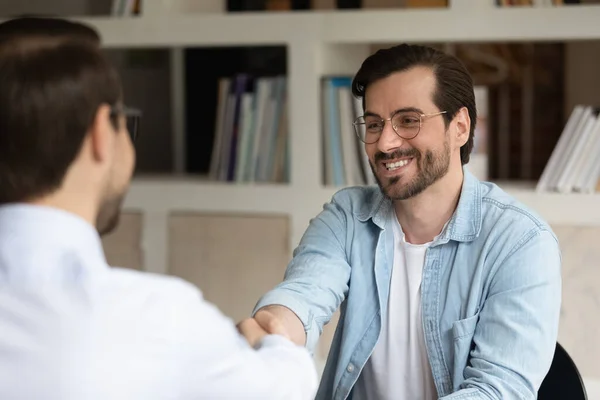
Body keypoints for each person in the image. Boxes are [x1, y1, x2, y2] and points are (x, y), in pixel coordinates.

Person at [0, 17, 317, 400]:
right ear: (102, 133)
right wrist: (279, 347)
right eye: (124, 121)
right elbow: (286, 391)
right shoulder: (158, 321)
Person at [252, 43, 562, 399]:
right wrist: (274, 328)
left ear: (459, 127)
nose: (385, 142)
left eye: (408, 121)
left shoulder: (520, 242)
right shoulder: (349, 215)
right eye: (373, 123)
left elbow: (498, 391)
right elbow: (304, 295)